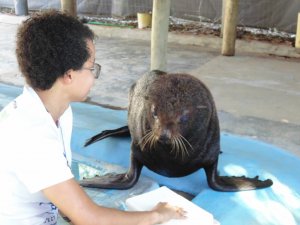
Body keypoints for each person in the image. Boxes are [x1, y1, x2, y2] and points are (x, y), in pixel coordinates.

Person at [0, 10, 186, 225]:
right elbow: (89, 219)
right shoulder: (32, 134)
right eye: (92, 67)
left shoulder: (56, 112)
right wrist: (158, 214)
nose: (94, 76)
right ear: (69, 75)